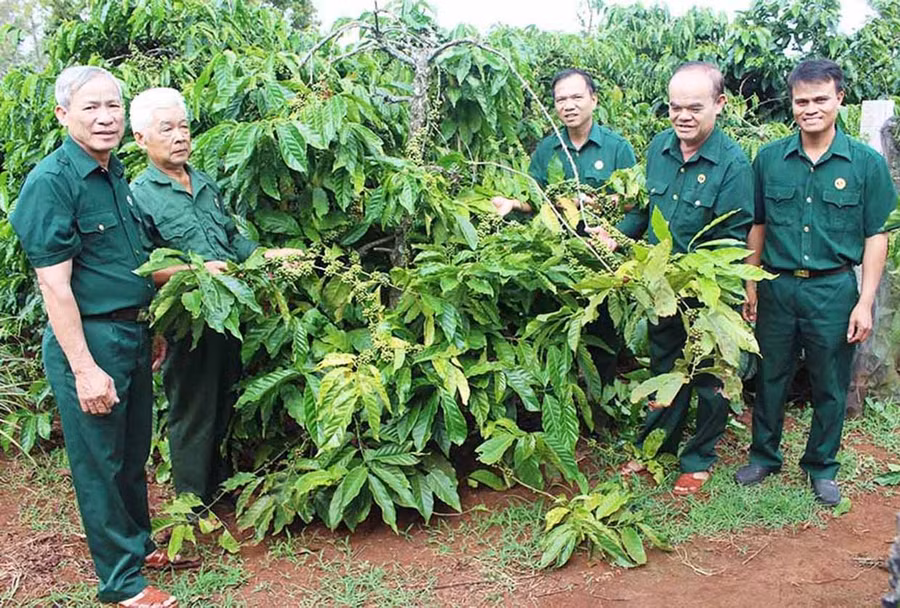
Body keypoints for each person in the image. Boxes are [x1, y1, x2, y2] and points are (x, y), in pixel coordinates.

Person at [9, 66, 178, 608]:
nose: (105, 118)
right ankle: (122, 583)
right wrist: (84, 367)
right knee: (99, 462)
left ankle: (139, 546)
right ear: (63, 115)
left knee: (131, 454)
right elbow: (55, 288)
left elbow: (127, 262)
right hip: (89, 341)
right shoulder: (52, 182)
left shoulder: (114, 173)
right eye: (90, 108)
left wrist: (147, 327)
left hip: (129, 333)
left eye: (113, 106)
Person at [129, 87, 301, 512]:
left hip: (230, 312)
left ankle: (218, 489)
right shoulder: (138, 194)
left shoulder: (204, 182)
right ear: (140, 139)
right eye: (166, 129)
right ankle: (191, 504)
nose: (179, 136)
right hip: (187, 321)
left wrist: (265, 257)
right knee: (192, 407)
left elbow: (230, 239)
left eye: (184, 127)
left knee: (225, 398)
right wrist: (199, 273)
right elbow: (144, 266)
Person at [736, 59, 897, 505]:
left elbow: (875, 236)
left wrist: (864, 301)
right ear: (791, 104)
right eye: (801, 101)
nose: (810, 108)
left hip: (834, 290)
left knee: (830, 381)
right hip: (778, 286)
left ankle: (822, 466)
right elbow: (758, 226)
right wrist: (751, 285)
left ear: (839, 99)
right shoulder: (769, 160)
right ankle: (764, 456)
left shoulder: (865, 164)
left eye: (820, 99)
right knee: (770, 376)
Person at [613, 62, 754, 495]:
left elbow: (732, 239)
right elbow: (643, 210)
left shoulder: (733, 164)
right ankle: (655, 447)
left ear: (719, 104)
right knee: (663, 368)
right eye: (675, 107)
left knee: (709, 375)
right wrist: (614, 240)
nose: (683, 116)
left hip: (708, 292)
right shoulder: (659, 147)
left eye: (694, 107)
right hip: (661, 290)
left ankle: (698, 458)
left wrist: (691, 275)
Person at [493, 68, 637, 383]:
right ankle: (563, 391)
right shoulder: (547, 150)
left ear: (594, 100)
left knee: (603, 332)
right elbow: (536, 199)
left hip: (604, 258)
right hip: (558, 258)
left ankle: (604, 402)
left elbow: (634, 201)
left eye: (576, 97)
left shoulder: (617, 147)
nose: (568, 105)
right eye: (561, 99)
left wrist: (604, 206)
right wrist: (514, 205)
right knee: (561, 329)